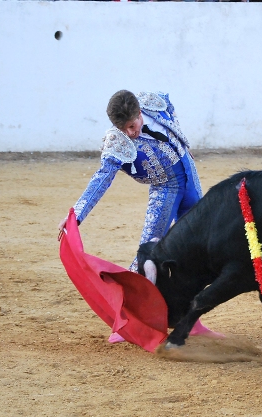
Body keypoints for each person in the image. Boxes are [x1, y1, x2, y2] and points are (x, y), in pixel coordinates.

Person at [58, 89, 221, 343]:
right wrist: (76, 215)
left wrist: (182, 146)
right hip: (165, 187)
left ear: (139, 112)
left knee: (198, 248)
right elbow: (102, 178)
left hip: (188, 175)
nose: (131, 133)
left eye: (133, 125)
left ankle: (191, 318)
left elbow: (169, 107)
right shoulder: (116, 142)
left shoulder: (154, 103)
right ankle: (126, 320)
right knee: (149, 254)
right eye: (125, 129)